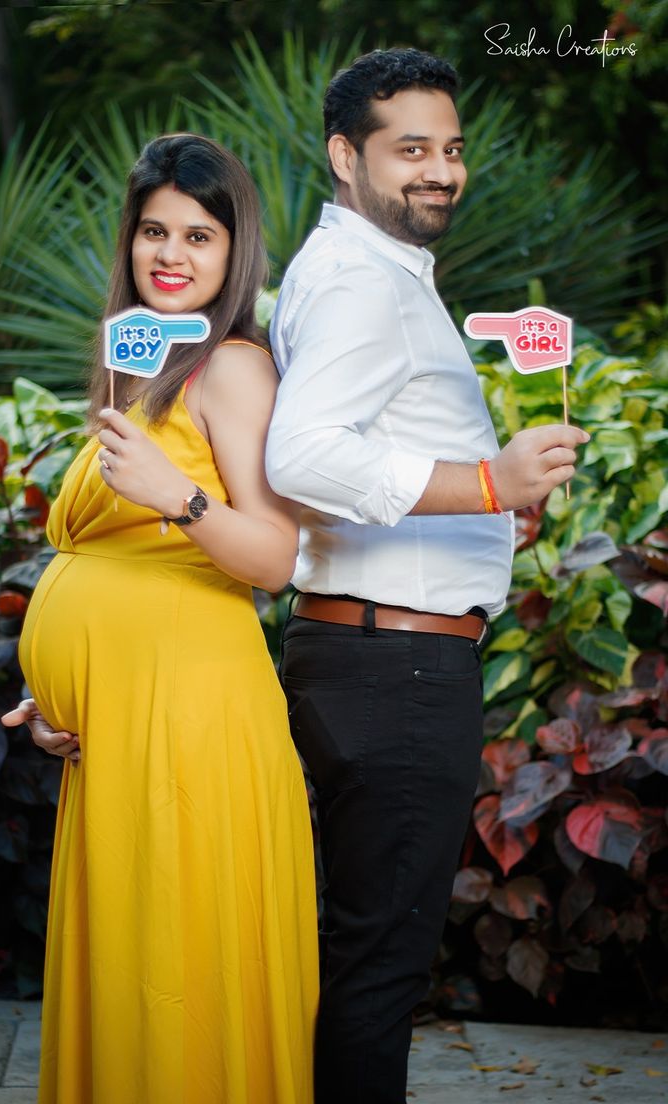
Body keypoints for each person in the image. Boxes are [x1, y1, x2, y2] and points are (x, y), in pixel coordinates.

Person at [265, 48, 589, 1104]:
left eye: (450, 149)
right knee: (380, 966)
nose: (440, 171)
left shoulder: (363, 270)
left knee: (363, 952)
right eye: (410, 150)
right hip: (394, 670)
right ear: (344, 155)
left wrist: (490, 498)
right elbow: (303, 458)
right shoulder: (363, 282)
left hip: (370, 653)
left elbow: (367, 450)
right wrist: (488, 480)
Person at [2, 133, 318, 1104]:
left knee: (180, 976)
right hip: (116, 736)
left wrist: (177, 495)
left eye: (197, 235)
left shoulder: (231, 368)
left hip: (193, 726)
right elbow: (102, 558)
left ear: (234, 255)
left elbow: (274, 559)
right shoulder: (140, 369)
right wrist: (52, 695)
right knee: (133, 977)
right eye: (152, 231)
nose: (169, 254)